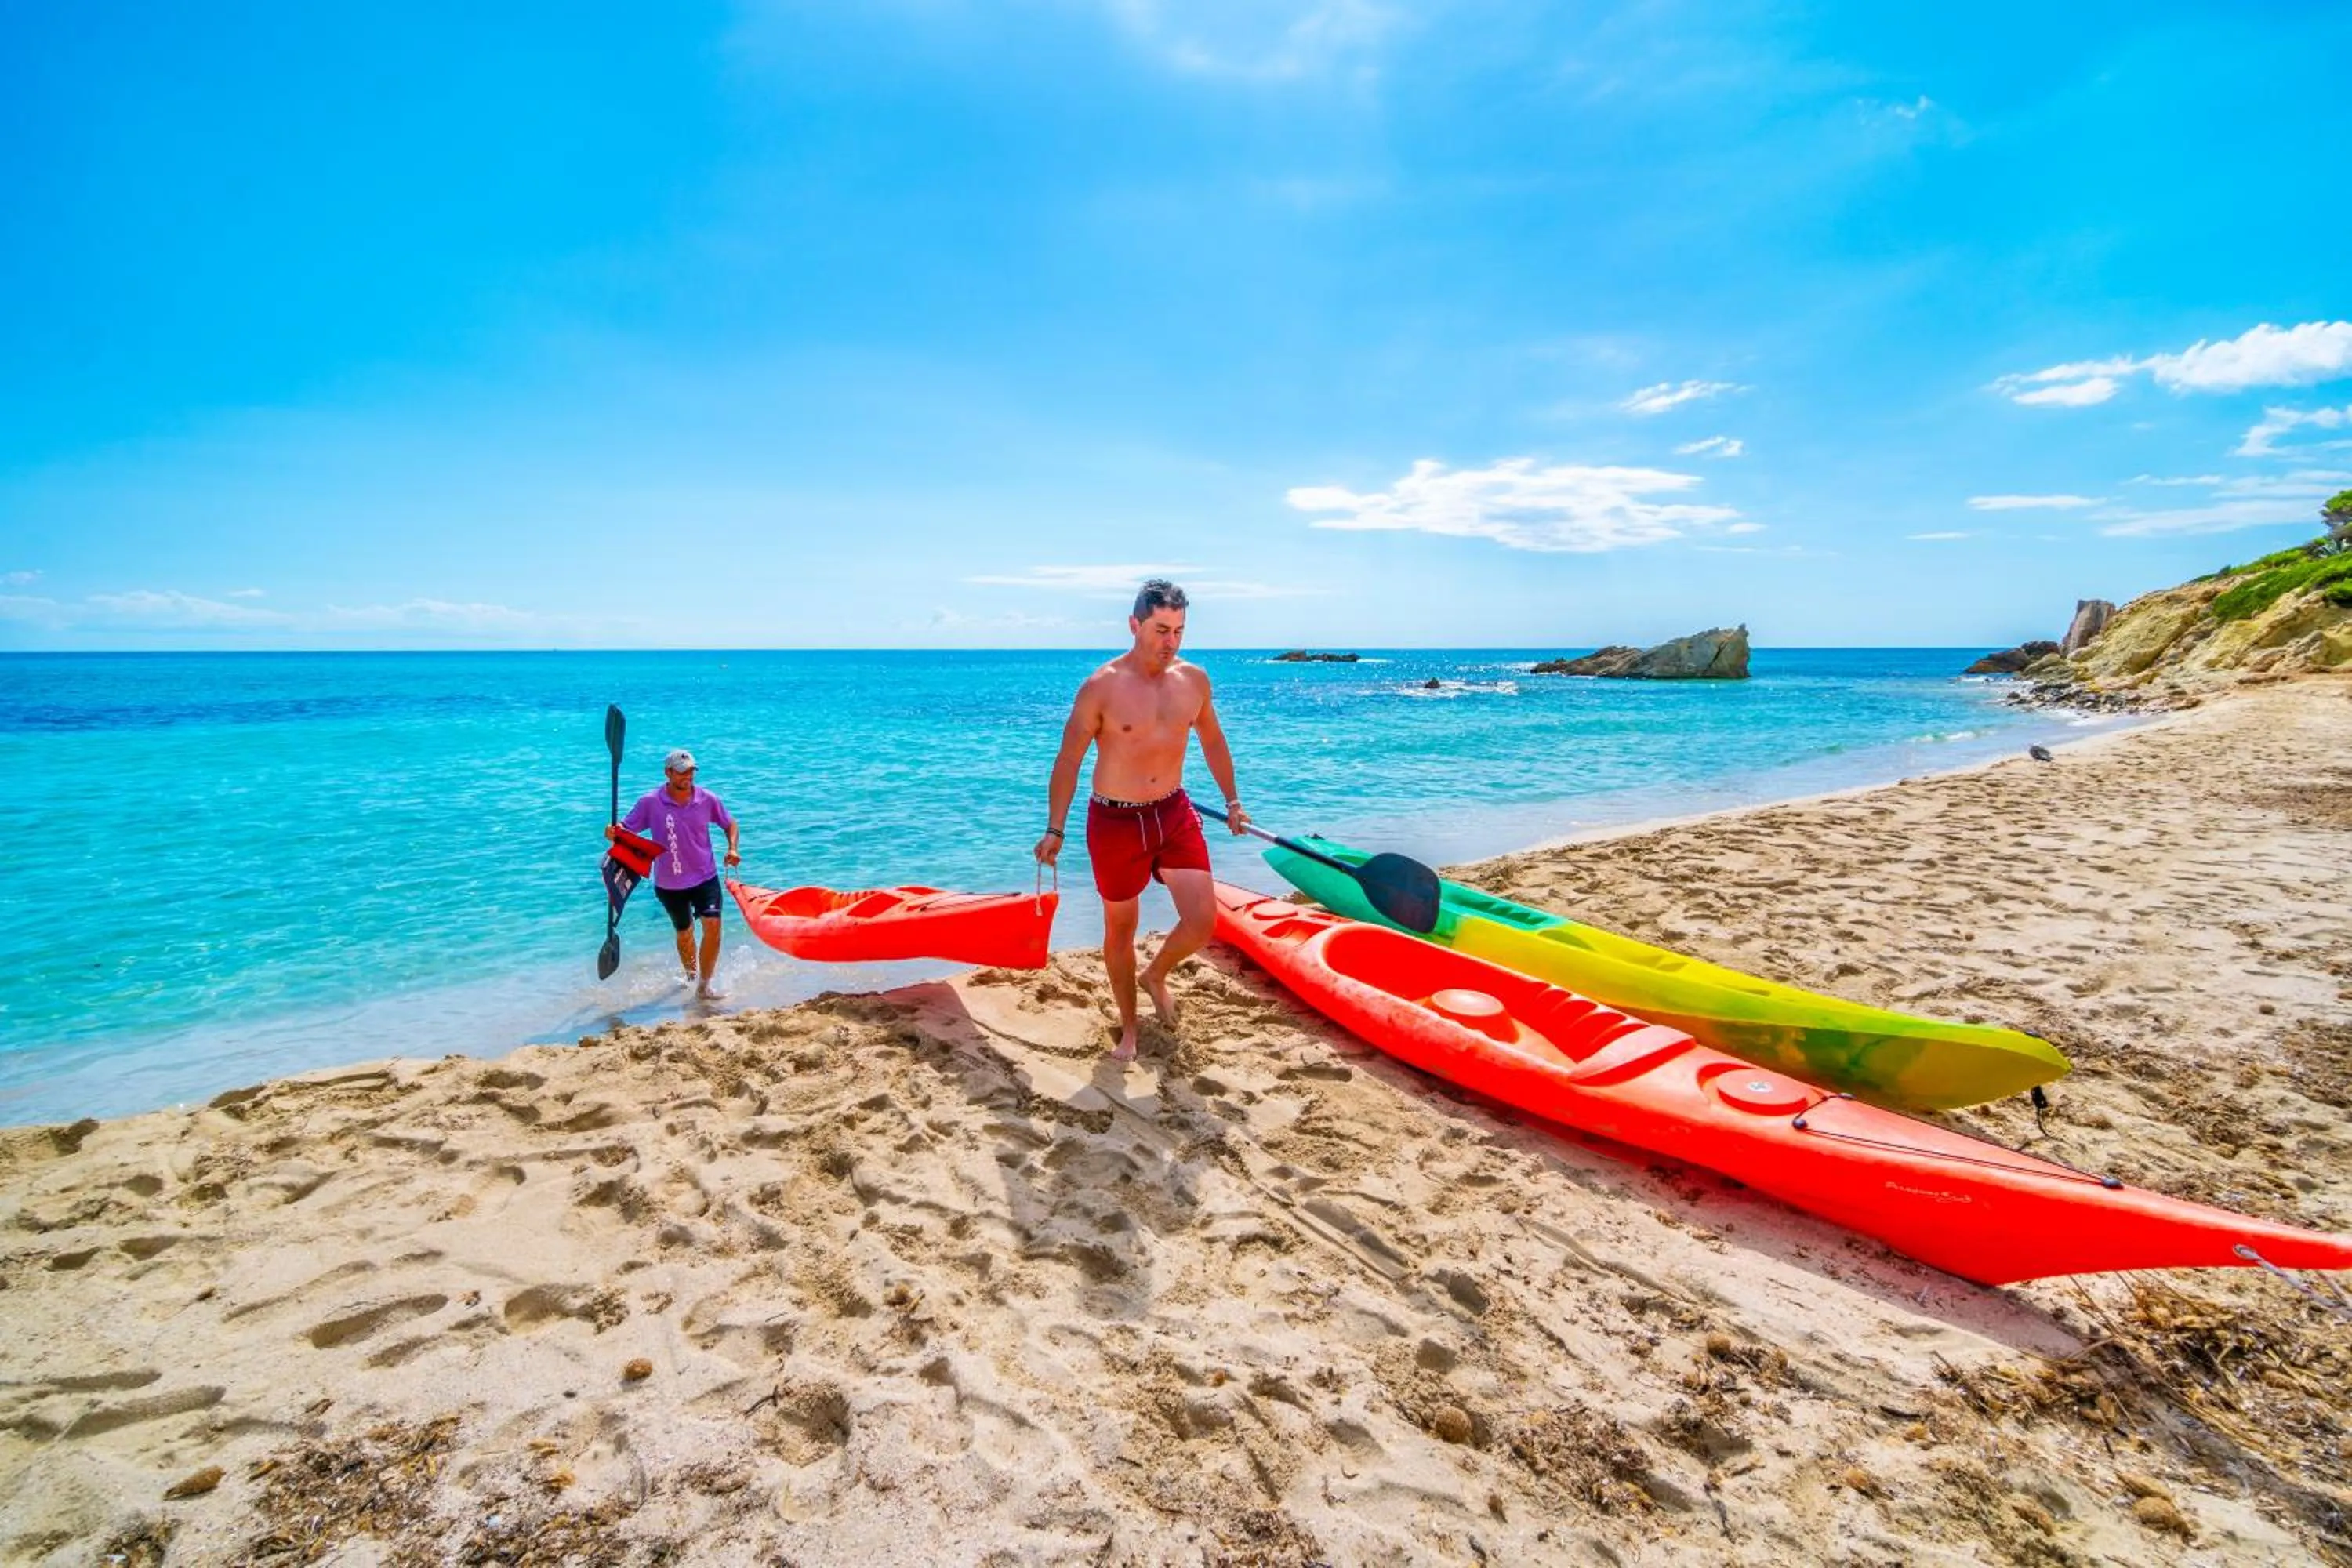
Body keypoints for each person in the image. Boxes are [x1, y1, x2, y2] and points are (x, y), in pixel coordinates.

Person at [1035, 579, 1250, 1062]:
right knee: (1121, 930)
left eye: (1178, 631)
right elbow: (1068, 760)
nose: (1170, 641)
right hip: (1115, 823)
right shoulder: (1101, 687)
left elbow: (1213, 741)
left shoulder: (1194, 681)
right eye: (1160, 629)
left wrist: (1233, 801)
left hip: (1173, 811)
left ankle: (1156, 975)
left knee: (1202, 921)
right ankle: (1129, 1030)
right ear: (1134, 625)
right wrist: (1055, 828)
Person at [609, 748, 741, 999]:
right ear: (668, 772)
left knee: (713, 925)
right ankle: (691, 976)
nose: (687, 776)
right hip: (670, 884)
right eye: (682, 772)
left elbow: (729, 823)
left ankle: (704, 986)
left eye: (691, 771)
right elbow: (625, 829)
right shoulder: (650, 802)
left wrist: (732, 848)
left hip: (705, 876)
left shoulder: (707, 799)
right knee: (685, 933)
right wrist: (613, 832)